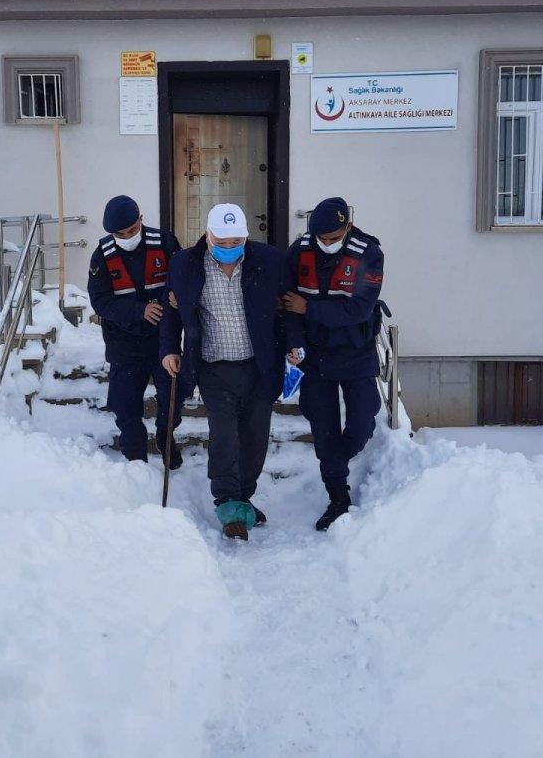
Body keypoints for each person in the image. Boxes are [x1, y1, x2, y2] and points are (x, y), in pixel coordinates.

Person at [160, 204, 286, 541]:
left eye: (236, 242)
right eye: (222, 241)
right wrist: (170, 349)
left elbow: (287, 308)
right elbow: (172, 312)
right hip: (213, 367)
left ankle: (243, 497)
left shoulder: (269, 260)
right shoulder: (185, 265)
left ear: (246, 236)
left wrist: (293, 346)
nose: (229, 248)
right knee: (225, 435)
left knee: (255, 438)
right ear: (208, 234)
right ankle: (229, 504)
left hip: (259, 366)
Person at [282, 197, 385, 531]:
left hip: (356, 353)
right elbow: (288, 304)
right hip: (317, 357)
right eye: (320, 238)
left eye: (331, 237)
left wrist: (308, 309)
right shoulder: (299, 251)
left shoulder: (369, 252)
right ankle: (338, 497)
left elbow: (359, 309)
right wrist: (295, 342)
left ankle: (336, 461)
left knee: (361, 425)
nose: (325, 244)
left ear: (347, 227)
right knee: (324, 430)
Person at [87, 195, 190, 467]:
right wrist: (138, 310)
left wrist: (179, 299)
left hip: (162, 341)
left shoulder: (165, 243)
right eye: (119, 234)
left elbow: (183, 279)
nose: (126, 236)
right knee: (125, 407)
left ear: (141, 220)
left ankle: (166, 438)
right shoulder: (102, 256)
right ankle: (135, 460)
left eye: (131, 230)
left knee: (172, 399)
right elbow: (100, 301)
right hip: (124, 344)